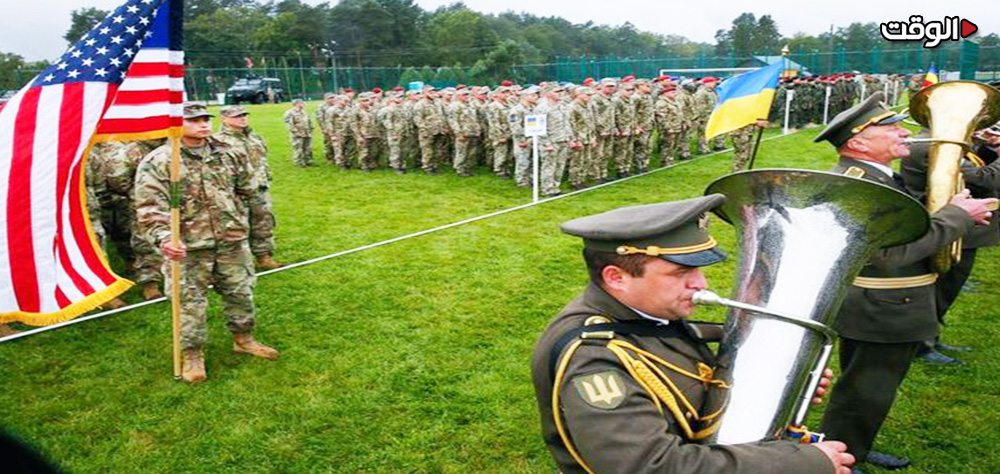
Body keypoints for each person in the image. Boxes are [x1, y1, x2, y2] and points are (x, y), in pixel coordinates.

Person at [531, 195, 855, 474]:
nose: (701, 284)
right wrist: (800, 464)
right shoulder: (593, 360)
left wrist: (778, 386)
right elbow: (650, 466)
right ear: (617, 278)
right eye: (682, 272)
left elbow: (684, 381)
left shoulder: (648, 314)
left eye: (699, 269)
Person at [812, 92, 996, 472]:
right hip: (883, 306)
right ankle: (842, 455)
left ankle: (852, 446)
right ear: (858, 142)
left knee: (870, 389)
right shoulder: (860, 184)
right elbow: (887, 254)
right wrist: (956, 217)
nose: (903, 132)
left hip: (892, 303)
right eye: (889, 127)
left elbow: (905, 231)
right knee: (865, 391)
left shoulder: (876, 176)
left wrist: (950, 213)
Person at [134, 103, 279, 384]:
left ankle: (244, 338)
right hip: (188, 247)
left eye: (205, 118)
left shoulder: (228, 152)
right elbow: (150, 209)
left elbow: (248, 188)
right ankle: (192, 354)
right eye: (194, 120)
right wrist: (165, 239)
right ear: (177, 124)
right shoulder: (161, 160)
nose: (203, 124)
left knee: (241, 292)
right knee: (189, 303)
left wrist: (246, 221)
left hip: (231, 240)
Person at [900, 123, 1000, 365]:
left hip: (959, 228)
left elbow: (975, 166)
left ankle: (931, 337)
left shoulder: (942, 141)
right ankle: (921, 345)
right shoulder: (934, 147)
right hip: (950, 227)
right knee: (940, 289)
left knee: (945, 289)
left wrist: (988, 147)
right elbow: (984, 181)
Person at [214, 105, 282, 270]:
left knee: (263, 223)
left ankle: (264, 257)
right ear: (224, 119)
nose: (242, 118)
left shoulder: (253, 137)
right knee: (236, 227)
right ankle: (236, 263)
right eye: (237, 116)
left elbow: (262, 160)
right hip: (236, 192)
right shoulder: (218, 141)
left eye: (244, 115)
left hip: (259, 187)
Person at [282, 99, 313, 167]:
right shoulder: (290, 112)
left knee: (308, 148)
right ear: (297, 104)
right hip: (298, 134)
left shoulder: (304, 112)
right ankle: (299, 163)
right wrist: (296, 132)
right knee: (299, 149)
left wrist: (311, 129)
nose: (303, 104)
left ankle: (308, 161)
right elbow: (289, 124)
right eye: (302, 103)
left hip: (307, 133)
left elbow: (308, 121)